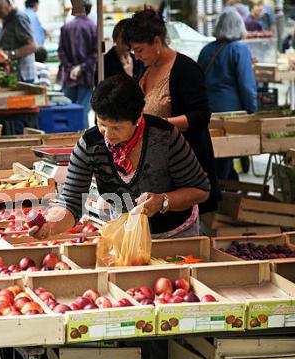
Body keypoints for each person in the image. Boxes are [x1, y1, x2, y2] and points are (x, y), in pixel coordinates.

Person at [30, 75, 210, 241]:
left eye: (116, 128)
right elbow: (71, 203)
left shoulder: (165, 137)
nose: (108, 134)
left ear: (138, 117)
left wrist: (163, 201)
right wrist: (50, 225)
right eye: (102, 124)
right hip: (126, 234)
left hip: (176, 235)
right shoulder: (89, 145)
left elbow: (200, 190)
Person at [124, 9, 219, 215]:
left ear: (157, 42)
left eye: (140, 50)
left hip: (185, 164)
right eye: (134, 52)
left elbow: (201, 115)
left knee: (184, 223)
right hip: (155, 165)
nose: (137, 56)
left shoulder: (185, 69)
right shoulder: (145, 68)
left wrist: (161, 125)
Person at [198, 11, 257, 181]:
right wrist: (252, 111)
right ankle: (222, 195)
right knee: (225, 156)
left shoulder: (206, 49)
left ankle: (225, 187)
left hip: (206, 112)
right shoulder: (239, 49)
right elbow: (247, 85)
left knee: (215, 155)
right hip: (231, 114)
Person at [56, 0, 97, 128]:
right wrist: (81, 67)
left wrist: (70, 68)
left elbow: (61, 51)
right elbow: (96, 53)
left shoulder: (66, 27)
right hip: (87, 76)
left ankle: (66, 137)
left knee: (67, 109)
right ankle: (83, 141)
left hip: (69, 76)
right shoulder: (94, 27)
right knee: (83, 110)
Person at [0, 0, 38, 83]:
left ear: (8, 3)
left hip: (23, 77)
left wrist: (9, 55)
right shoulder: (8, 20)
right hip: (14, 76)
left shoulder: (19, 18)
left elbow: (33, 46)